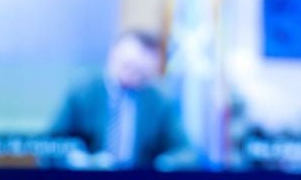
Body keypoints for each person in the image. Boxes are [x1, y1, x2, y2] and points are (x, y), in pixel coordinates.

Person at [49, 30, 198, 170]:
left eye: (141, 73)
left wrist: (163, 164)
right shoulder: (83, 91)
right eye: (128, 66)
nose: (133, 76)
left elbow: (186, 152)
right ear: (113, 55)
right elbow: (53, 143)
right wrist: (78, 158)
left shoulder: (159, 101)